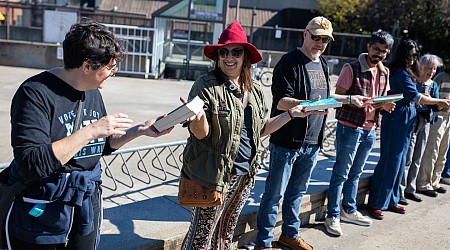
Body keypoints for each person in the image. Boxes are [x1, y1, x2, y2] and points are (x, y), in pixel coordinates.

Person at [5, 18, 172, 250]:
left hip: (85, 206)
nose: (113, 73)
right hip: (43, 212)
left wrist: (140, 131)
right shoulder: (35, 94)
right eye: (110, 67)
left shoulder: (91, 90)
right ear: (87, 66)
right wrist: (91, 130)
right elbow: (32, 163)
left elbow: (98, 146)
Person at [179, 20, 311, 250]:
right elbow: (201, 134)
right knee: (200, 238)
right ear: (218, 56)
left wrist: (290, 114)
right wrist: (197, 117)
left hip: (244, 174)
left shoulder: (256, 90)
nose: (229, 57)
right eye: (224, 52)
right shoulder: (207, 85)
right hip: (214, 175)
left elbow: (261, 130)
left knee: (225, 232)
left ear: (245, 56)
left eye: (236, 52)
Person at [254, 16, 368, 250]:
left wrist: (349, 99)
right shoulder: (289, 61)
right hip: (287, 142)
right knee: (274, 195)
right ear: (305, 34)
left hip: (313, 142)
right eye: (316, 37)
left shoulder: (323, 62)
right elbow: (281, 102)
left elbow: (325, 97)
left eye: (325, 39)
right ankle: (263, 244)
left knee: (297, 193)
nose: (320, 43)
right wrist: (306, 104)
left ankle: (289, 235)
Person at [366, 40, 449, 220]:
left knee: (402, 160)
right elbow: (416, 96)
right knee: (390, 160)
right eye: (410, 55)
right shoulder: (400, 72)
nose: (413, 59)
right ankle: (377, 202)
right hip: (396, 118)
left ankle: (392, 199)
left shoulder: (408, 71)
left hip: (406, 118)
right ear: (403, 54)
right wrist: (438, 102)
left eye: (415, 55)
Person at [324, 30, 396, 236]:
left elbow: (380, 100)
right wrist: (350, 99)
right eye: (375, 49)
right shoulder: (351, 68)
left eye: (383, 51)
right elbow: (335, 97)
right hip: (349, 127)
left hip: (370, 130)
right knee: (341, 173)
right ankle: (333, 215)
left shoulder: (385, 73)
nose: (378, 54)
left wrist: (386, 105)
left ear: (387, 52)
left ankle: (349, 209)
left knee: (355, 174)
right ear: (368, 47)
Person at [400, 54, 442, 204]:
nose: (431, 71)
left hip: (425, 122)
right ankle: (401, 190)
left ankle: (410, 189)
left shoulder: (433, 85)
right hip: (411, 121)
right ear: (421, 66)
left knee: (418, 156)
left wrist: (436, 102)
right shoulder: (414, 81)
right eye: (429, 68)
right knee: (408, 157)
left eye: (434, 69)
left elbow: (436, 105)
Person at [416, 56, 450, 197]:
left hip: (449, 118)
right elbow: (431, 96)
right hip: (439, 116)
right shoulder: (441, 76)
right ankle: (424, 183)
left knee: (443, 152)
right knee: (432, 150)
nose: (432, 71)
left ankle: (435, 181)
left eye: (433, 68)